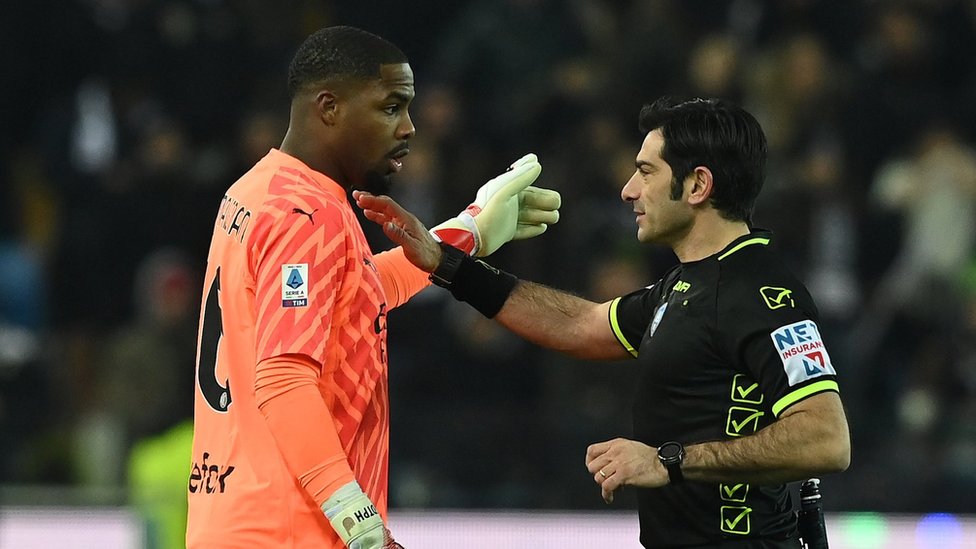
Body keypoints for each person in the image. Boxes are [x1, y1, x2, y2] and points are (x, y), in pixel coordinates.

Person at [355, 97, 852, 548]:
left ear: (698, 185)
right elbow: (581, 324)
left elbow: (826, 440)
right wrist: (447, 263)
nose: (628, 190)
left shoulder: (762, 295)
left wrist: (668, 460)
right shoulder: (685, 287)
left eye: (646, 172)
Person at [186, 26, 560, 549]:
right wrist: (355, 518)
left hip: (237, 517)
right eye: (391, 107)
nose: (409, 127)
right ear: (330, 107)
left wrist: (468, 232)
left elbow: (352, 294)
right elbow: (285, 377)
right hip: (293, 529)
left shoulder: (257, 190)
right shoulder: (308, 214)